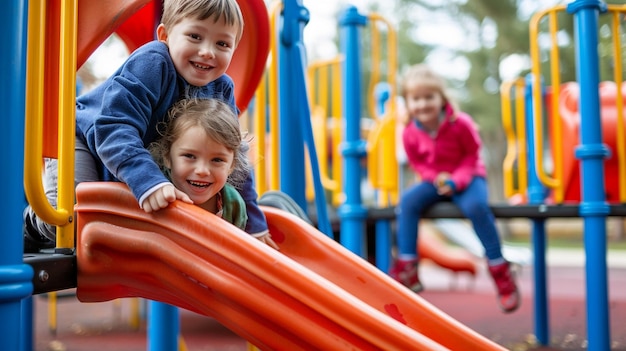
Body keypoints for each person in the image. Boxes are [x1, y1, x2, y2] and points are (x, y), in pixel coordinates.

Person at [23, 0, 272, 251]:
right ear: (164, 35)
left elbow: (232, 155)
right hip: (82, 136)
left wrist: (255, 224)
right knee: (73, 218)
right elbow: (113, 128)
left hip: (126, 151)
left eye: (222, 44)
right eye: (195, 36)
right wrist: (150, 182)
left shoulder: (221, 87)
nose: (208, 51)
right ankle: (27, 226)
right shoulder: (153, 64)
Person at [389, 64, 520, 313]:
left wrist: (455, 181)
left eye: (429, 97)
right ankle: (408, 268)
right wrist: (436, 178)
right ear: (408, 102)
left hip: (469, 178)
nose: (423, 104)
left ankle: (500, 270)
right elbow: (417, 163)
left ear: (441, 99)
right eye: (416, 99)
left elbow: (472, 156)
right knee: (407, 202)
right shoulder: (409, 132)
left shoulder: (460, 124)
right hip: (434, 180)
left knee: (475, 206)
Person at [150, 98, 278, 249]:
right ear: (167, 157)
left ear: (232, 166)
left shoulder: (232, 204)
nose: (202, 170)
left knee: (278, 202)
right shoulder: (158, 196)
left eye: (217, 160)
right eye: (190, 156)